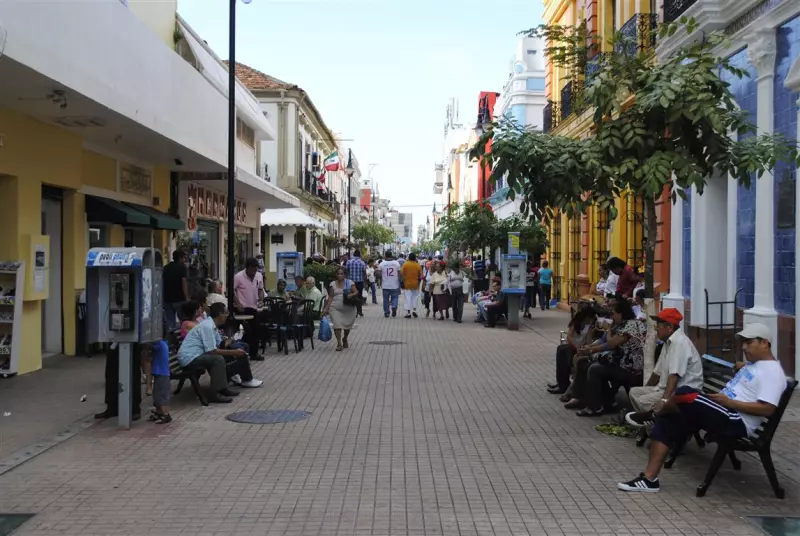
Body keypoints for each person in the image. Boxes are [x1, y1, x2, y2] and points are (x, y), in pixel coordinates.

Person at [618, 323, 787, 493]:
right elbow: (752, 377)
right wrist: (742, 366)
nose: (744, 347)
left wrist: (731, 403)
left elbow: (768, 409)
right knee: (668, 419)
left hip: (736, 419)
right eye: (743, 343)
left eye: (749, 343)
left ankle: (653, 414)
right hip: (723, 410)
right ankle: (649, 479)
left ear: (764, 343)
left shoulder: (773, 372)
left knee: (685, 393)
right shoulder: (757, 364)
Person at [625, 308, 705, 426]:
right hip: (665, 389)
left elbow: (674, 376)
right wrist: (646, 389)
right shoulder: (668, 342)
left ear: (670, 327)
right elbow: (657, 372)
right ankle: (651, 423)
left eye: (659, 325)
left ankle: (656, 425)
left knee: (642, 401)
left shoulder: (679, 343)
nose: (656, 328)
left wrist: (664, 400)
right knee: (634, 392)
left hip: (684, 394)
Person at [571, 299, 645, 416]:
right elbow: (604, 341)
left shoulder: (632, 325)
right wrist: (589, 348)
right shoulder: (622, 325)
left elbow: (611, 343)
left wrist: (608, 330)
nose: (612, 317)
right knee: (586, 363)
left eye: (614, 314)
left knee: (595, 369)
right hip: (620, 361)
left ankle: (594, 407)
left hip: (630, 367)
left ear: (621, 313)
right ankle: (591, 399)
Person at [178, 303, 261, 403]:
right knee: (218, 359)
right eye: (226, 313)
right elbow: (211, 351)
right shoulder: (207, 326)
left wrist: (231, 340)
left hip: (197, 354)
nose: (227, 315)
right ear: (220, 314)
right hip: (189, 358)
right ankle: (215, 394)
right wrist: (233, 352)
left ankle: (223, 388)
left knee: (228, 354)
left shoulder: (213, 325)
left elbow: (220, 344)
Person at [549, 306, 597, 394]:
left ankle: (562, 384)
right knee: (561, 349)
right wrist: (576, 347)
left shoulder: (589, 327)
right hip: (573, 346)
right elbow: (569, 337)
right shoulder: (575, 323)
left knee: (563, 351)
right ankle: (562, 383)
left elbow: (589, 341)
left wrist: (585, 348)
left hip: (580, 348)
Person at [233, 258, 265, 361]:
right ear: (246, 268)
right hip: (242, 308)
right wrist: (237, 303)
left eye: (255, 270)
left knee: (256, 330)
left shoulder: (259, 276)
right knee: (247, 330)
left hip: (253, 307)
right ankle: (243, 351)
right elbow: (231, 290)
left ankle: (254, 353)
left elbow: (260, 290)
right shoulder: (238, 277)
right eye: (251, 270)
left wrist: (261, 299)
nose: (253, 273)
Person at [323, 267, 359, 351]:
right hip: (335, 308)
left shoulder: (349, 282)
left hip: (348, 308)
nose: (340, 275)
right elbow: (331, 297)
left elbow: (356, 292)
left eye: (341, 273)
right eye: (338, 273)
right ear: (336, 275)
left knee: (347, 327)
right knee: (337, 326)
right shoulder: (332, 284)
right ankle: (339, 343)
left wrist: (352, 295)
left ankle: (345, 338)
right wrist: (326, 308)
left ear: (344, 275)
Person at [162, 250, 189, 331]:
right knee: (184, 321)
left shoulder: (166, 268)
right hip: (180, 299)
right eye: (184, 258)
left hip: (167, 299)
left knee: (170, 323)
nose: (185, 260)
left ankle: (171, 340)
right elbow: (183, 282)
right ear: (180, 258)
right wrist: (186, 297)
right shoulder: (182, 267)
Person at [149, 339, 172, 424]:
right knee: (156, 393)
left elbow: (149, 348)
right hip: (160, 372)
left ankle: (165, 414)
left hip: (162, 373)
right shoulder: (162, 343)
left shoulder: (159, 345)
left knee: (161, 394)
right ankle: (159, 412)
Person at [379, 251, 402, 318]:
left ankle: (386, 312)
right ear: (391, 255)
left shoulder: (382, 264)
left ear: (385, 256)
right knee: (395, 297)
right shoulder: (396, 263)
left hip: (385, 285)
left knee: (385, 299)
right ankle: (394, 306)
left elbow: (379, 274)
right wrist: (399, 281)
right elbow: (399, 274)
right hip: (394, 284)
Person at [400, 252, 423, 318]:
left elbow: (401, 273)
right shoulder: (417, 265)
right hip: (415, 284)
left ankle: (408, 313)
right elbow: (420, 275)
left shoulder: (405, 264)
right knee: (415, 297)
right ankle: (414, 311)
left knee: (408, 298)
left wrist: (404, 278)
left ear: (409, 257)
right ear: (415, 258)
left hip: (407, 283)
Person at [345, 250, 367, 317]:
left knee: (352, 296)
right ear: (359, 255)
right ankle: (359, 311)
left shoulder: (349, 262)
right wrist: (365, 282)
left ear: (354, 254)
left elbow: (346, 271)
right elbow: (364, 273)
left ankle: (353, 311)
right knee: (359, 296)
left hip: (350, 282)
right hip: (359, 282)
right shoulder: (362, 262)